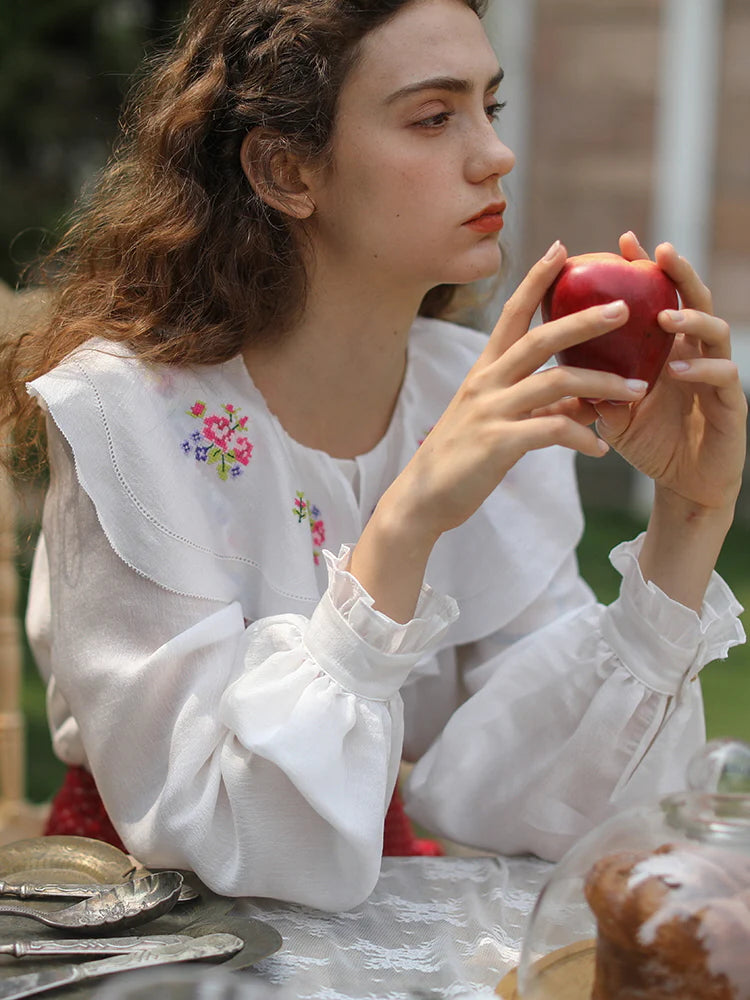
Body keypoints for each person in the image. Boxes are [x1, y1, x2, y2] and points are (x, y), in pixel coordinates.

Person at [1, 0, 746, 911]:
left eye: (489, 108)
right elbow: (219, 827)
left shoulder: (472, 393)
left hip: (381, 903)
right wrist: (407, 522)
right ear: (285, 169)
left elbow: (535, 801)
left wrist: (689, 519)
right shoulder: (130, 416)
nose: (494, 154)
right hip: (148, 923)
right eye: (434, 117)